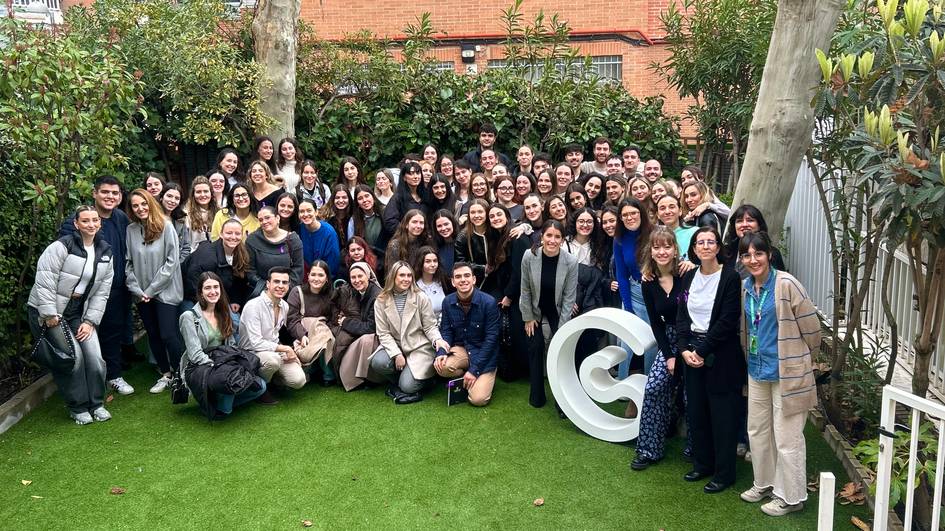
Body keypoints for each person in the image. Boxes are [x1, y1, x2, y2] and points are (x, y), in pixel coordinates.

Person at [738, 231, 820, 516]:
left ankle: (791, 497)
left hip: (788, 372)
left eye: (758, 253)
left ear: (769, 254)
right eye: (747, 255)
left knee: (787, 437)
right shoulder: (746, 286)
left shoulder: (786, 284)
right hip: (758, 369)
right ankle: (764, 483)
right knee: (757, 431)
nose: (753, 259)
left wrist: (800, 358)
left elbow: (812, 330)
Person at [29, 205, 114, 424]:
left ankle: (96, 403)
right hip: (51, 312)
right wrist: (48, 314)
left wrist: (90, 321)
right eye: (85, 221)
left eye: (95, 220)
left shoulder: (105, 251)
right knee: (72, 359)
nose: (91, 224)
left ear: (100, 222)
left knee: (95, 357)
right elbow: (44, 280)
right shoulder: (60, 247)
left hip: (79, 313)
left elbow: (102, 292)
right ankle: (78, 408)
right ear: (76, 224)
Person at [675, 226, 745, 494]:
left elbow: (728, 320)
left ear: (718, 247)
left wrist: (702, 351)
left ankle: (724, 473)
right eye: (699, 242)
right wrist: (683, 349)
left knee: (723, 415)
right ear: (693, 248)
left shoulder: (730, 278)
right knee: (697, 411)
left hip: (721, 355)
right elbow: (682, 313)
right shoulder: (689, 277)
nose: (705, 246)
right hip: (690, 351)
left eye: (710, 242)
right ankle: (702, 464)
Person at [59, 176, 133, 395]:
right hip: (84, 293)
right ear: (94, 193)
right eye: (105, 192)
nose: (110, 197)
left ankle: (113, 376)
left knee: (112, 333)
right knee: (85, 335)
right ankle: (88, 380)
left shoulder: (121, 218)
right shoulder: (77, 221)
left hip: (116, 289)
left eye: (115, 193)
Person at [632, 227, 686, 471]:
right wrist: (669, 356)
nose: (662, 251)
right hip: (670, 341)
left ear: (675, 249)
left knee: (691, 396)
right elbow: (656, 324)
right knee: (653, 388)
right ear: (651, 251)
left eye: (667, 246)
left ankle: (695, 449)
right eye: (657, 247)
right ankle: (648, 449)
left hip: (694, 341)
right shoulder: (649, 282)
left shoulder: (688, 274)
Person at [179, 273, 267, 418]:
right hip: (201, 366)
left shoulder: (223, 311)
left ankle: (215, 400)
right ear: (200, 292)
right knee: (227, 401)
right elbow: (195, 354)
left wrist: (232, 364)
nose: (213, 291)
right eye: (207, 288)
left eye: (216, 287)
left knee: (260, 387)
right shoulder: (189, 317)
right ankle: (220, 405)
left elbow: (231, 344)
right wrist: (222, 367)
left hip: (223, 362)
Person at [125, 189, 184, 394]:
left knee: (168, 334)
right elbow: (128, 263)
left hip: (166, 291)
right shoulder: (131, 230)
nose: (140, 208)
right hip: (142, 293)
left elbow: (171, 262)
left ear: (150, 203)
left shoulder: (166, 226)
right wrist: (137, 289)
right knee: (153, 334)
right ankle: (166, 374)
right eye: (135, 205)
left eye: (143, 204)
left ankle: (180, 374)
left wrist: (151, 290)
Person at [370, 261, 449, 404]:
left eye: (409, 275)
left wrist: (437, 340)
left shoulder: (421, 297)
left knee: (407, 387)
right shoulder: (381, 301)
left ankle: (421, 381)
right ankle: (405, 378)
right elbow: (383, 333)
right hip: (396, 345)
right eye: (402, 275)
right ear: (393, 277)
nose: (406, 279)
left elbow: (430, 326)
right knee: (378, 362)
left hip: (419, 346)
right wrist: (396, 354)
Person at [520, 220, 578, 408]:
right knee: (535, 345)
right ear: (542, 236)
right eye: (549, 235)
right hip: (535, 309)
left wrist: (562, 329)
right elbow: (525, 289)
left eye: (557, 236)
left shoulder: (570, 261)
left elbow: (569, 298)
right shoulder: (529, 256)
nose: (552, 240)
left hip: (557, 310)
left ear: (562, 240)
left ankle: (562, 401)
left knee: (560, 349)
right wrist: (528, 317)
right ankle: (537, 396)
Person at [434, 262, 501, 406]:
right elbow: (446, 330)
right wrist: (441, 352)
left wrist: (475, 371)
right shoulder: (447, 301)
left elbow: (491, 340)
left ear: (474, 279)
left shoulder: (488, 302)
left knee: (478, 400)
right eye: (458, 277)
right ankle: (466, 374)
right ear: (453, 282)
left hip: (483, 354)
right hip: (462, 349)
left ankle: (482, 375)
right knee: (441, 367)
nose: (463, 280)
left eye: (467, 276)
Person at [239, 266, 305, 400]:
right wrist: (285, 349)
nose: (281, 286)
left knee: (299, 380)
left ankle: (274, 380)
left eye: (285, 282)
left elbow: (280, 333)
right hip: (251, 353)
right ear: (268, 284)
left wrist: (294, 345)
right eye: (276, 281)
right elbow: (256, 343)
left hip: (274, 350)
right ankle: (260, 389)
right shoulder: (253, 306)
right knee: (272, 361)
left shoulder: (284, 306)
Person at [614, 198, 654, 376]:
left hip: (655, 292)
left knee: (652, 341)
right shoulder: (619, 239)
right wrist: (627, 307)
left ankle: (650, 384)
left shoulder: (654, 233)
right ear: (620, 219)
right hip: (633, 291)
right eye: (625, 215)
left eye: (633, 213)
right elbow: (621, 274)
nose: (629, 217)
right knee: (626, 341)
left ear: (641, 214)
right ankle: (622, 383)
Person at [286, 261, 340, 386]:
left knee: (323, 330)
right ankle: (327, 373)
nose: (316, 279)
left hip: (324, 333)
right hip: (303, 332)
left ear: (327, 278)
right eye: (313, 274)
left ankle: (323, 371)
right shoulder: (297, 292)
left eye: (321, 275)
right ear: (308, 275)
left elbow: (333, 320)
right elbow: (291, 319)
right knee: (316, 324)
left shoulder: (331, 295)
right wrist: (302, 335)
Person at [184, 218, 251, 313]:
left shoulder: (242, 254)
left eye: (237, 233)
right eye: (229, 233)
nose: (233, 237)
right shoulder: (207, 256)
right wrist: (210, 308)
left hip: (219, 298)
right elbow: (192, 283)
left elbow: (239, 280)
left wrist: (234, 299)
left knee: (235, 322)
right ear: (221, 234)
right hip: (194, 298)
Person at [335, 262, 383, 391]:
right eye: (353, 277)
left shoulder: (377, 296)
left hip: (380, 338)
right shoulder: (357, 292)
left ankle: (366, 379)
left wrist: (345, 322)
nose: (356, 281)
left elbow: (371, 327)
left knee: (365, 340)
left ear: (368, 276)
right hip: (363, 331)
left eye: (360, 276)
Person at [246, 206, 304, 298]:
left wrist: (283, 288)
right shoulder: (252, 240)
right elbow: (250, 270)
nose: (264, 222)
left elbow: (298, 269)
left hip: (287, 293)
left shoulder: (293, 240)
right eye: (261, 220)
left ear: (277, 218)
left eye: (267, 217)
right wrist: (268, 288)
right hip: (262, 292)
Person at [722, 204, 786, 276]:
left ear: (759, 225)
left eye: (750, 220)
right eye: (739, 221)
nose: (745, 224)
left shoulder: (773, 253)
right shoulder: (726, 252)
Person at [297, 198, 341, 278]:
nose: (305, 214)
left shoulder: (328, 232)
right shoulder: (299, 230)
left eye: (309, 210)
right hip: (305, 277)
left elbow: (333, 262)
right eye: (302, 211)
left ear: (316, 212)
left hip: (325, 277)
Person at [382, 162, 425, 234]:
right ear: (404, 177)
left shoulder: (426, 196)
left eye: (418, 173)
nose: (415, 176)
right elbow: (390, 221)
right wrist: (407, 232)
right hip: (404, 240)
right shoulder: (398, 197)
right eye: (411, 173)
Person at [454, 199, 489, 282]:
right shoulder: (462, 237)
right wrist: (483, 269)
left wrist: (524, 227)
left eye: (480, 212)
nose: (476, 215)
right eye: (473, 212)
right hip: (474, 281)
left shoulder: (495, 231)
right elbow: (460, 264)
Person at [385, 209, 431, 273]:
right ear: (406, 224)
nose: (418, 226)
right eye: (414, 222)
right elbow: (392, 272)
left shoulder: (426, 241)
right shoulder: (395, 245)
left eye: (421, 223)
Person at [655, 194, 698, 262]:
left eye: (672, 207)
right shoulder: (654, 236)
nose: (667, 212)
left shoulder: (695, 232)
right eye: (662, 208)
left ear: (680, 211)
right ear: (658, 215)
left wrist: (694, 263)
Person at [158, 182, 192, 264]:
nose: (172, 201)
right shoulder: (153, 219)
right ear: (161, 197)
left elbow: (186, 247)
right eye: (169, 196)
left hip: (177, 267)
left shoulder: (180, 219)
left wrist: (177, 264)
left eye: (177, 198)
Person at [413, 246, 449, 322]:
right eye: (428, 261)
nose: (433, 264)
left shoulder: (443, 280)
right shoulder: (414, 285)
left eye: (435, 261)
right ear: (420, 263)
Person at [185, 176, 217, 249]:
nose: (203, 195)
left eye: (206, 191)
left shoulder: (218, 212)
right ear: (193, 195)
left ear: (211, 193)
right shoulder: (186, 215)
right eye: (198, 192)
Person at [321, 185, 352, 252]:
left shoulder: (354, 217)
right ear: (333, 199)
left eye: (344, 197)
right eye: (337, 197)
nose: (341, 200)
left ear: (349, 199)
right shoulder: (326, 218)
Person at [431, 209, 458, 275]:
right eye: (439, 226)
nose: (443, 228)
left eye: (446, 224)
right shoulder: (433, 246)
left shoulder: (462, 242)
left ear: (453, 223)